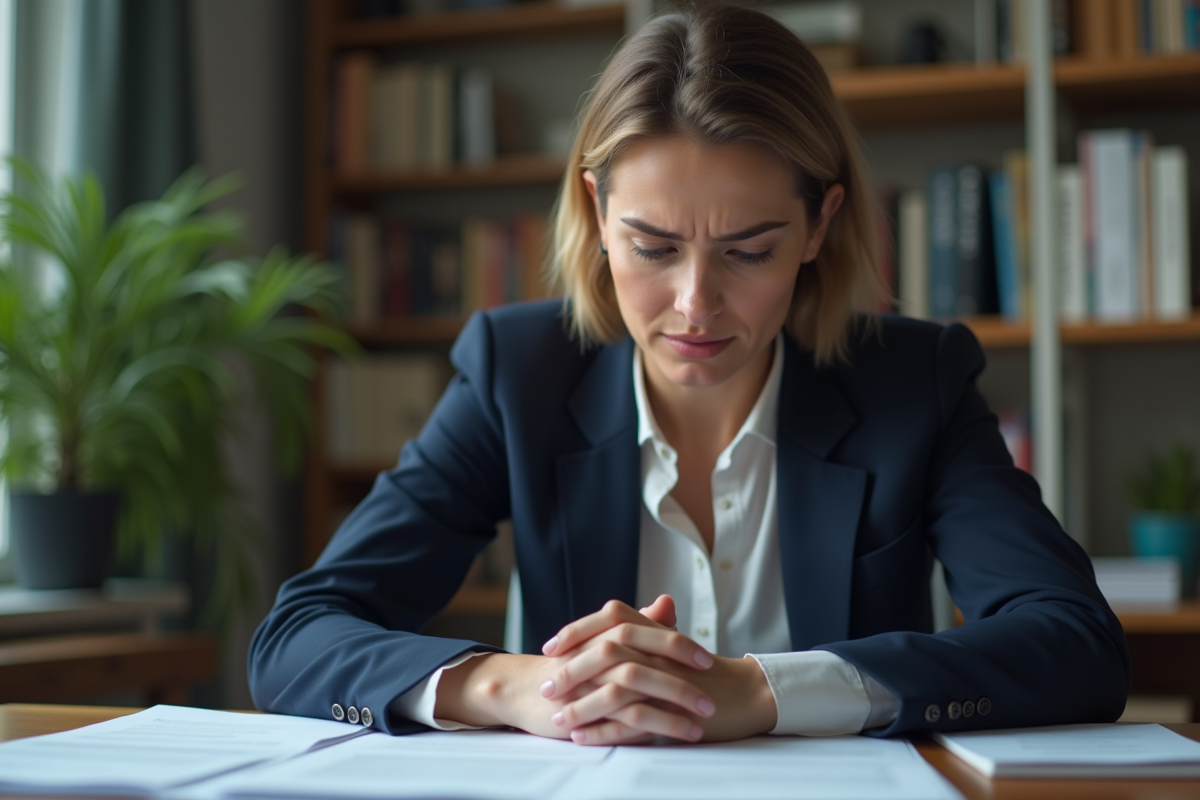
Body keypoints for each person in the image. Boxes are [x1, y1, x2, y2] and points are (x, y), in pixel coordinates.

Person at [249, 4, 1129, 744]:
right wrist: (516, 687)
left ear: (819, 226)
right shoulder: (517, 376)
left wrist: (762, 691)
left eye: (749, 251)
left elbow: (1077, 644)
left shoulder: (914, 384)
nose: (695, 303)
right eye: (653, 247)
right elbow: (295, 638)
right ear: (597, 211)